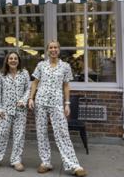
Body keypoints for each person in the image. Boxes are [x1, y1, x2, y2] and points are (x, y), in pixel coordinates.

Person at [28, 40, 87, 176]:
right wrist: (31, 98)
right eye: (51, 47)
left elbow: (66, 85)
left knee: (62, 133)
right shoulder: (41, 65)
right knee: (41, 132)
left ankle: (74, 165)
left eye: (56, 47)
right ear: (47, 50)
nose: (53, 49)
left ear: (59, 50)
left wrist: (67, 104)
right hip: (41, 102)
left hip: (57, 103)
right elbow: (35, 83)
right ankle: (45, 162)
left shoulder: (65, 66)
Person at [0, 51, 30, 172]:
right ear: (7, 61)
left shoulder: (24, 73)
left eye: (15, 58)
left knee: (19, 135)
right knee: (1, 134)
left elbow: (28, 88)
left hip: (21, 110)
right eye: (10, 58)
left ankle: (16, 160)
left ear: (18, 61)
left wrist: (24, 100)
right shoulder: (1, 74)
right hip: (5, 110)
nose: (13, 60)